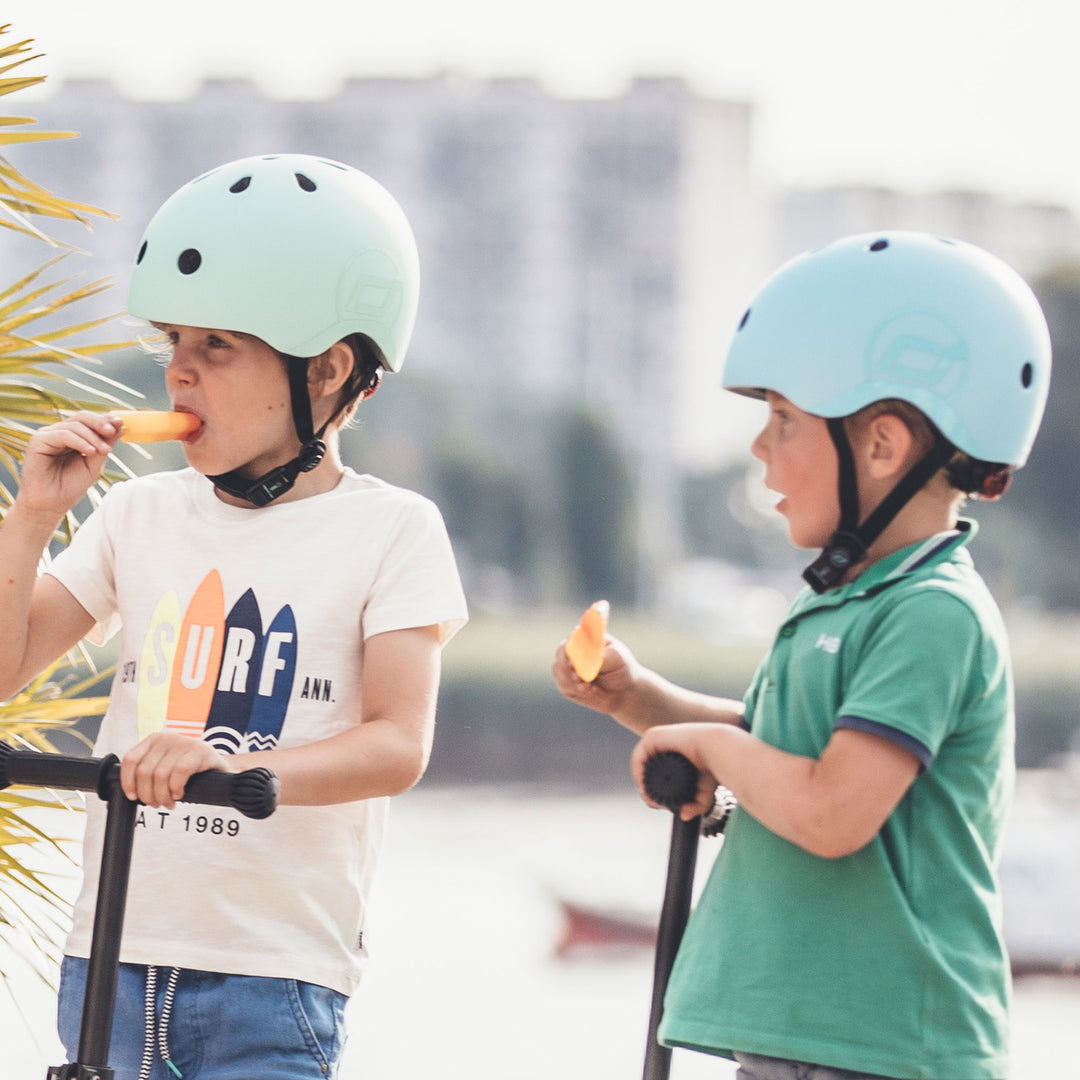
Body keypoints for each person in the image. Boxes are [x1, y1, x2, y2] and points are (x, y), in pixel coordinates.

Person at [0, 153, 467, 1079]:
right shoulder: (140, 513)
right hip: (110, 958)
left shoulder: (393, 531)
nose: (178, 373)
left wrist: (237, 763)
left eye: (218, 347)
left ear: (328, 370)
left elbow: (395, 746)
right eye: (174, 342)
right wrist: (33, 516)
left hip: (273, 978)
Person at [552, 232, 1051, 1080]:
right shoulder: (845, 599)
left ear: (884, 447)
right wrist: (641, 700)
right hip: (800, 1043)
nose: (759, 448)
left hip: (891, 1050)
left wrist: (708, 749)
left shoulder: (933, 614)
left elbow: (829, 810)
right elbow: (782, 753)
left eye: (783, 420)